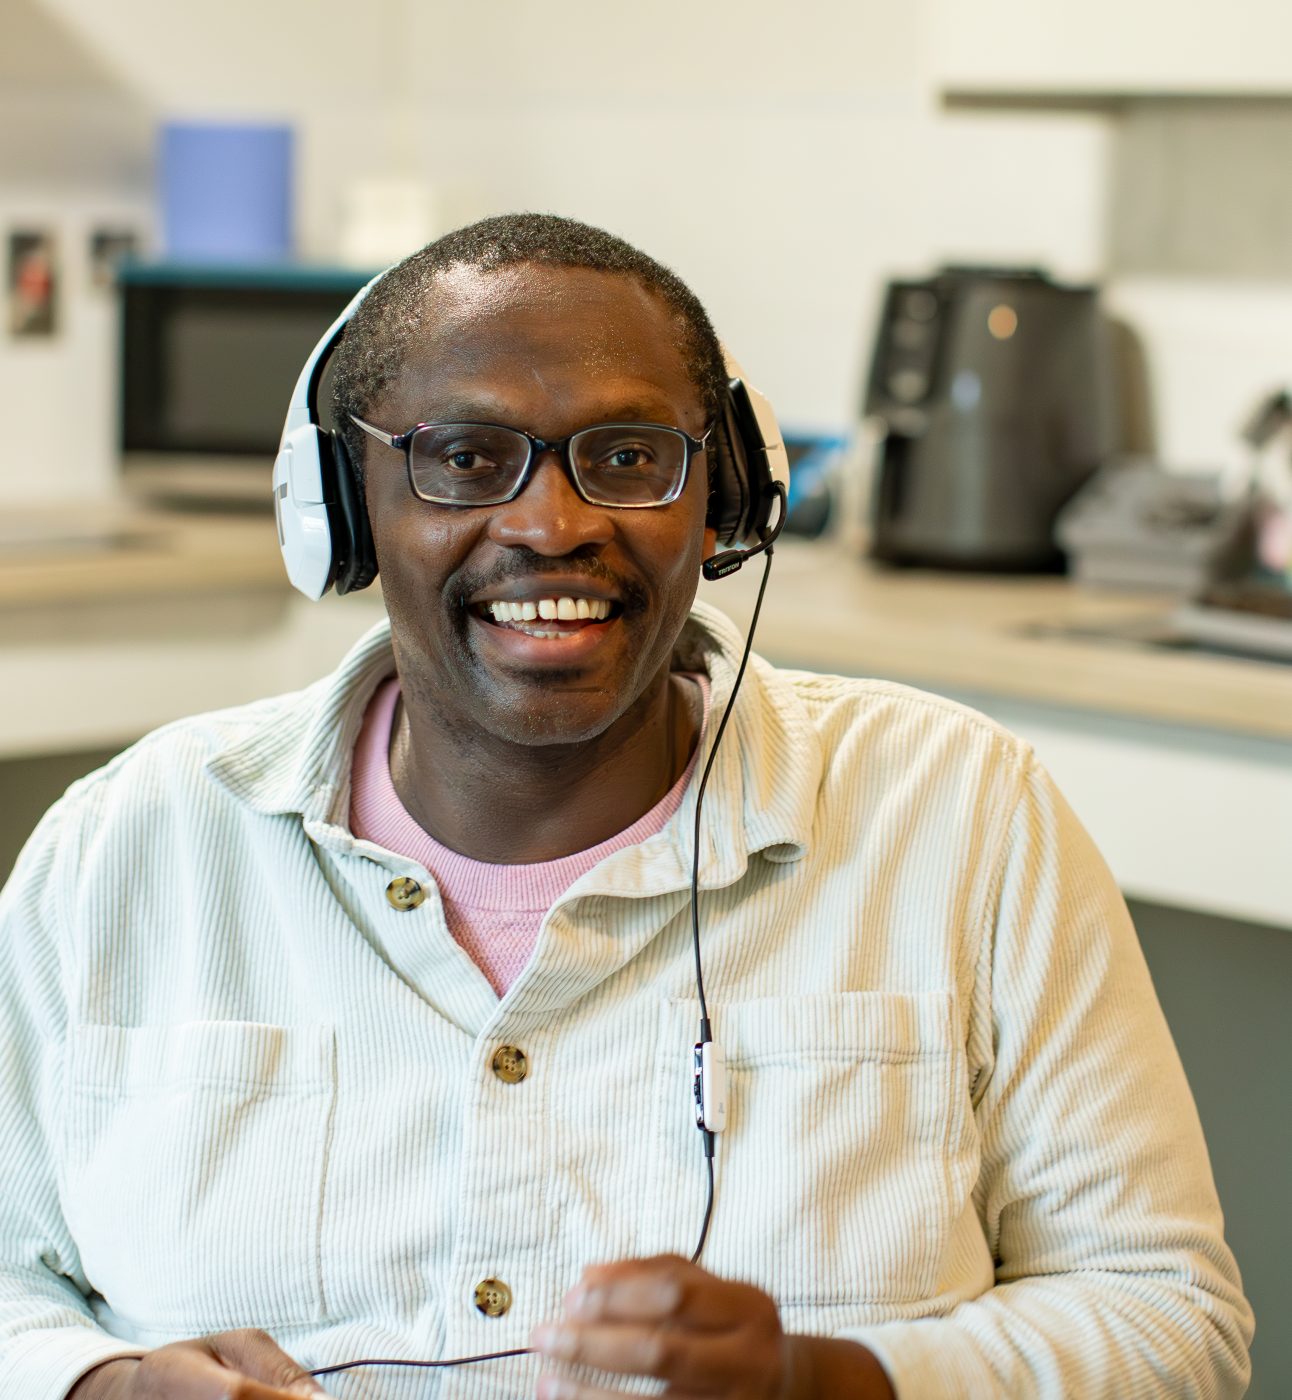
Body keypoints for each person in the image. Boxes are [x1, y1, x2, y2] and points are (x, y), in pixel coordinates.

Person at [0, 215, 1252, 1400]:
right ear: (340, 504)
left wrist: (819, 1379)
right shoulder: (129, 843)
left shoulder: (957, 813)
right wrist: (90, 1377)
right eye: (463, 458)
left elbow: (1166, 1314)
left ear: (726, 502)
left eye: (628, 457)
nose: (551, 523)